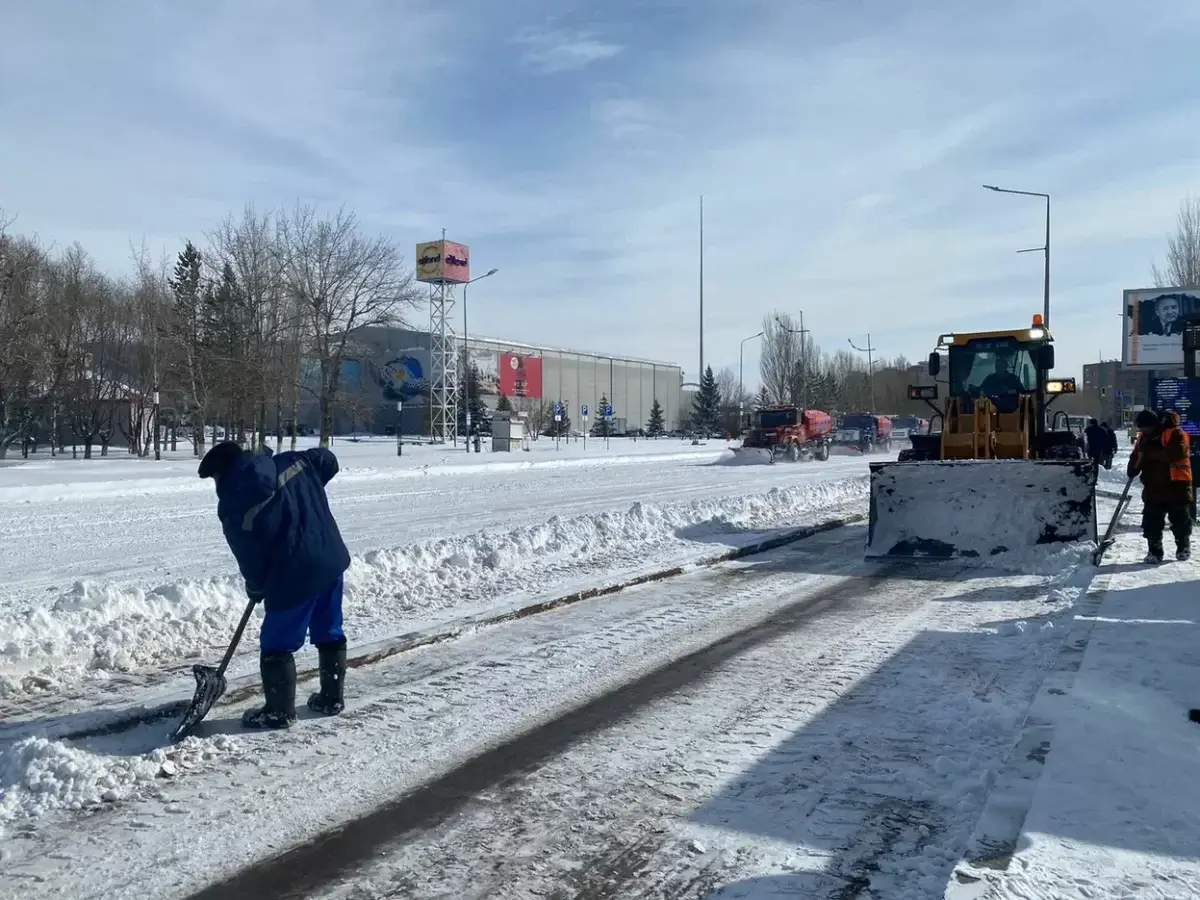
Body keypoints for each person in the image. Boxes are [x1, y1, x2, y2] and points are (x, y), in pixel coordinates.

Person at [198, 440, 352, 728]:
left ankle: (279, 713)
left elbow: (251, 559)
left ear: (222, 474)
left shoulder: (234, 506)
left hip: (294, 574)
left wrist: (256, 586)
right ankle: (332, 699)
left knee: (277, 644)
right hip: (331, 559)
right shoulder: (295, 462)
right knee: (329, 629)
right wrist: (308, 488)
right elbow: (328, 460)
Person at [1127, 409, 1192, 563]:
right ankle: (1154, 551)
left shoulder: (1175, 433)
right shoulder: (1143, 438)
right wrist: (1133, 467)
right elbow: (1136, 455)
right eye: (1142, 428)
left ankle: (1183, 546)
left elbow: (1175, 453)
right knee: (1151, 522)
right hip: (1153, 487)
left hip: (1177, 485)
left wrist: (1148, 453)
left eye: (1147, 427)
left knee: (1180, 520)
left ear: (1155, 425)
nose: (1144, 431)